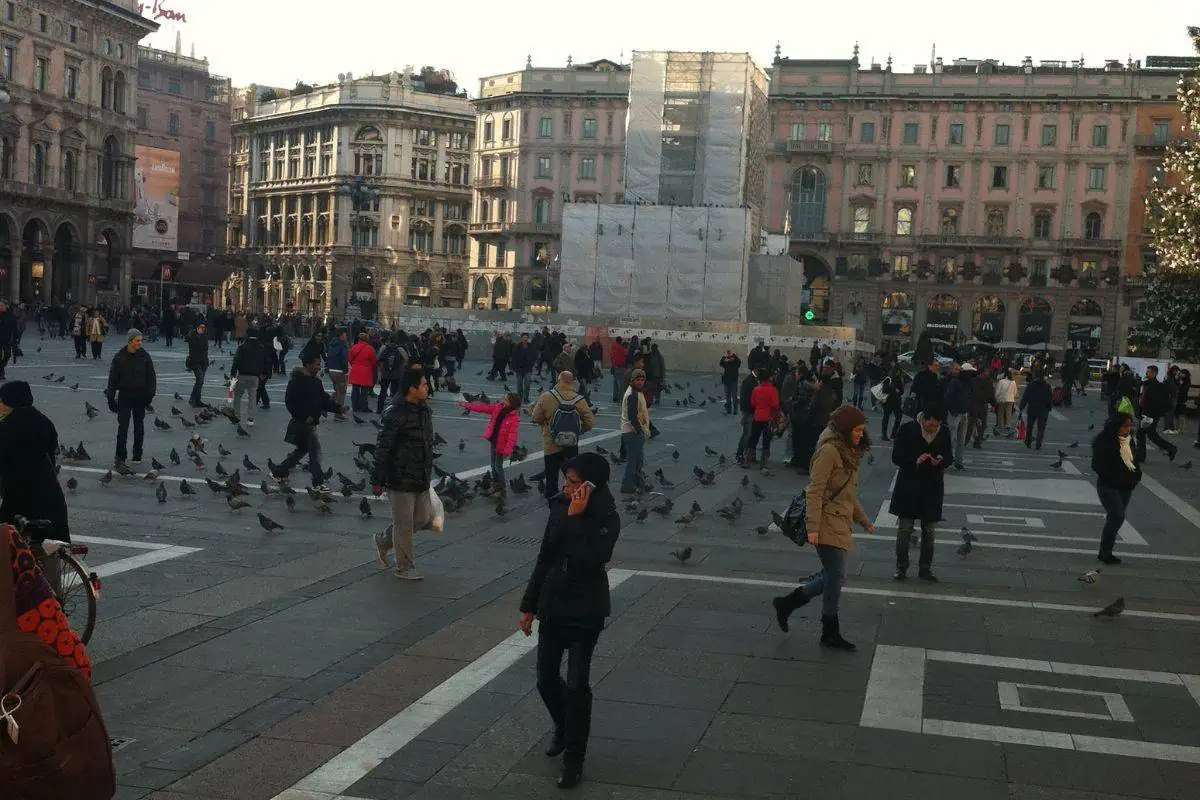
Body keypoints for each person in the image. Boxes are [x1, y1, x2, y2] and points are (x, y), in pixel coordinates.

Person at [519, 452, 621, 790]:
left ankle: (574, 757)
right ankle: (564, 725)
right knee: (545, 678)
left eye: (574, 482)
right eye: (567, 480)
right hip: (553, 603)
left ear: (591, 484)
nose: (567, 487)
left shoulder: (607, 514)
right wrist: (529, 604)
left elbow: (593, 561)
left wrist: (576, 520)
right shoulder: (559, 504)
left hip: (586, 608)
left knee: (577, 684)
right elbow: (545, 555)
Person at [771, 405, 874, 649]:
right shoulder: (829, 451)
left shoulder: (848, 451)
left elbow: (848, 493)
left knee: (832, 575)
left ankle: (788, 603)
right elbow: (815, 492)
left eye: (862, 430)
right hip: (826, 521)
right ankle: (829, 630)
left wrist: (864, 520)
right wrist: (813, 527)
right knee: (837, 576)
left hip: (839, 520)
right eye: (857, 430)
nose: (861, 434)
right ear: (846, 429)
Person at [372, 367, 435, 580]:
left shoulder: (424, 410)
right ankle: (404, 567)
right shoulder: (395, 412)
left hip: (421, 474)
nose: (428, 388)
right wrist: (378, 478)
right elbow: (383, 447)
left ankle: (384, 541)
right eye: (424, 384)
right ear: (412, 388)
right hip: (399, 476)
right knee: (404, 523)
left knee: (423, 518)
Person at [0, 381, 70, 548]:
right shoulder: (43, 422)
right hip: (51, 497)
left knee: (5, 536)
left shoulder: (9, 426)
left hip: (20, 497)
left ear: (11, 401)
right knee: (50, 549)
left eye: (2, 401)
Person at [889, 404, 953, 582]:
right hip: (909, 485)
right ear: (923, 419)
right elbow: (896, 456)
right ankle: (901, 567)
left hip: (932, 487)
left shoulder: (944, 432)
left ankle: (925, 568)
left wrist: (940, 461)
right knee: (905, 530)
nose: (935, 428)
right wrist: (915, 460)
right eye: (932, 425)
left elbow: (949, 456)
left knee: (929, 532)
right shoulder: (907, 429)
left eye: (938, 425)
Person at [272, 353, 342, 488]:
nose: (319, 367)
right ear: (308, 365)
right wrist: (304, 416)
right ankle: (318, 483)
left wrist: (338, 409)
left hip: (310, 423)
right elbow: (290, 402)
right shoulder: (297, 381)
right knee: (314, 453)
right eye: (316, 364)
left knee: (303, 449)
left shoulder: (316, 381)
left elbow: (323, 400)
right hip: (302, 423)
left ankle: (279, 471)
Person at [532, 372, 596, 501]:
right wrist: (578, 431)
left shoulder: (546, 397)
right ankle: (571, 495)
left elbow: (535, 418)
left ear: (558, 380)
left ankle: (551, 497)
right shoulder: (579, 399)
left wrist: (546, 425)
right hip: (571, 443)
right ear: (572, 382)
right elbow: (590, 423)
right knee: (571, 472)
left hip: (551, 443)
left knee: (551, 474)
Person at [1091, 412, 1141, 566]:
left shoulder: (1129, 440)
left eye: (1129, 425)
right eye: (1125, 426)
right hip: (1108, 486)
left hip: (1126, 486)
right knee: (1117, 516)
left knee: (1115, 519)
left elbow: (1134, 460)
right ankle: (1106, 551)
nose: (1128, 429)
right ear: (1116, 426)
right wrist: (1112, 477)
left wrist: (1136, 476)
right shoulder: (1104, 441)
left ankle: (1105, 551)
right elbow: (1096, 465)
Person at [106, 329, 156, 466]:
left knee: (139, 427)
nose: (140, 343)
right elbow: (112, 379)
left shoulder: (145, 356)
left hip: (140, 396)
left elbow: (151, 378)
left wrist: (149, 396)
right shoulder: (119, 357)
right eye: (137, 340)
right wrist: (111, 398)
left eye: (141, 340)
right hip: (125, 396)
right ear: (130, 341)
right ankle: (120, 455)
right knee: (123, 427)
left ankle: (137, 454)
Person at [461, 393, 522, 495]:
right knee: (493, 465)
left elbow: (512, 435)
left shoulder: (514, 417)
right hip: (494, 441)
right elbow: (483, 408)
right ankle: (496, 483)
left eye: (506, 400)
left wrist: (508, 449)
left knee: (498, 466)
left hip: (501, 445)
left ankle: (501, 485)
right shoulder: (498, 408)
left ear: (511, 403)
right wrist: (467, 405)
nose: (504, 400)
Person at [230, 326, 270, 427]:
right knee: (252, 397)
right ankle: (250, 418)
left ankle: (237, 416)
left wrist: (233, 373)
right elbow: (266, 362)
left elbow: (236, 361)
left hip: (243, 375)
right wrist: (264, 373)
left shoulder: (242, 347)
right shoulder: (261, 348)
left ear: (247, 335)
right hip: (255, 377)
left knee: (238, 395)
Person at [1137, 365, 1178, 462]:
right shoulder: (1147, 384)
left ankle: (1171, 448)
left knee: (1151, 435)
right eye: (1147, 372)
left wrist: (1151, 414)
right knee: (1141, 433)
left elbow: (1155, 401)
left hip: (1150, 415)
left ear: (1154, 373)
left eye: (1149, 372)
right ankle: (1140, 455)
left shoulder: (1157, 386)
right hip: (1146, 414)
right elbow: (1142, 398)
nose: (1147, 373)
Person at [619, 369, 650, 493]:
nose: (640, 382)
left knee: (638, 460)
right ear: (633, 380)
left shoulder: (636, 392)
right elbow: (632, 415)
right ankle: (627, 485)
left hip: (631, 431)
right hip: (632, 432)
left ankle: (639, 483)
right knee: (633, 461)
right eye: (638, 379)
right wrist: (639, 430)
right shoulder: (633, 394)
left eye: (642, 380)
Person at [744, 370, 780, 472]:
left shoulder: (756, 389)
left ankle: (747, 460)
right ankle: (763, 464)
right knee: (766, 441)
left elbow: (753, 403)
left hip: (758, 417)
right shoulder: (773, 390)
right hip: (769, 419)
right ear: (769, 378)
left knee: (753, 438)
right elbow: (776, 405)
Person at [1018, 368, 1054, 452]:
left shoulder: (1031, 385)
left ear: (1035, 375)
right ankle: (1038, 443)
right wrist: (1049, 407)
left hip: (1032, 408)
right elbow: (1050, 398)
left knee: (1030, 425)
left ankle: (1028, 441)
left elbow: (1025, 396)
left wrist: (1021, 406)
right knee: (1041, 427)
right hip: (1043, 409)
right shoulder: (1047, 385)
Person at [376, 332, 407, 414]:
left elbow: (378, 359)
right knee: (395, 392)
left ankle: (379, 409)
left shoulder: (383, 347)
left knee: (383, 392)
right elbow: (406, 360)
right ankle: (393, 410)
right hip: (396, 374)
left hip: (385, 373)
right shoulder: (400, 349)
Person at [348, 332, 378, 413]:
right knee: (364, 391)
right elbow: (374, 362)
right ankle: (363, 406)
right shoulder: (370, 349)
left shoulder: (354, 347)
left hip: (355, 370)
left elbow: (350, 359)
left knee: (355, 389)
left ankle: (355, 406)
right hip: (366, 372)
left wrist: (354, 365)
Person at [325, 329, 350, 420]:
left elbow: (328, 356)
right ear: (341, 335)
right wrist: (345, 369)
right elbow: (344, 358)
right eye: (345, 334)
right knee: (342, 392)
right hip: (339, 370)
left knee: (337, 390)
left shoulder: (332, 344)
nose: (346, 336)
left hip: (331, 370)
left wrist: (327, 367)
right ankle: (338, 413)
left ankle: (327, 406)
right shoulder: (343, 345)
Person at [186, 322, 210, 407]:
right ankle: (192, 398)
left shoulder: (204, 336)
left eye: (204, 327)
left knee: (200, 382)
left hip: (203, 361)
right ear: (197, 327)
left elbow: (205, 348)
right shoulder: (192, 335)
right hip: (195, 362)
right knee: (200, 380)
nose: (203, 329)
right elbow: (195, 346)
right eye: (201, 327)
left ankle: (197, 400)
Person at [879, 366, 905, 441]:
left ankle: (892, 434)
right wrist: (894, 389)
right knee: (887, 417)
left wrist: (898, 391)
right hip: (888, 401)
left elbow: (902, 391)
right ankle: (884, 434)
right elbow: (885, 390)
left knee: (898, 416)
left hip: (895, 401)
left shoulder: (898, 379)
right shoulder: (888, 379)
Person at [511, 333, 537, 403]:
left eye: (526, 337)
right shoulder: (518, 346)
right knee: (519, 384)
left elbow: (535, 355)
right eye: (524, 337)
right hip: (519, 369)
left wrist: (532, 363)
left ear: (528, 338)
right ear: (522, 338)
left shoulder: (531, 346)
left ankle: (526, 398)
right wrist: (513, 367)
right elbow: (513, 357)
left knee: (527, 384)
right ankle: (519, 398)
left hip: (528, 368)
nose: (525, 339)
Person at [993, 368, 1018, 437]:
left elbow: (997, 391)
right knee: (1008, 413)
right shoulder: (1013, 382)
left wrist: (996, 398)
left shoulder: (1001, 381)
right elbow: (1015, 392)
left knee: (1000, 412)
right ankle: (1008, 424)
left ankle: (1000, 425)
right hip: (1010, 400)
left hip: (1002, 400)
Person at [720, 349, 742, 414]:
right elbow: (720, 363)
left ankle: (735, 410)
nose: (730, 357)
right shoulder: (726, 362)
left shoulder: (736, 362)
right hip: (726, 381)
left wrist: (734, 355)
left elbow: (739, 362)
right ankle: (728, 409)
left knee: (734, 396)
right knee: (727, 396)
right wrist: (725, 356)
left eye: (731, 356)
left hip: (733, 381)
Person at [609, 336, 628, 403]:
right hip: (621, 367)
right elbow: (625, 357)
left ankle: (615, 397)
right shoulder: (621, 349)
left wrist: (613, 366)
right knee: (621, 384)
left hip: (614, 366)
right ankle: (621, 398)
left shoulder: (613, 347)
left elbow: (612, 357)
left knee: (615, 383)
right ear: (620, 341)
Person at [0, 300, 14, 379]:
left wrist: (16, 337)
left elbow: (13, 327)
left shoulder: (10, 315)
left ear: (6, 306)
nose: (0, 307)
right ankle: (1, 372)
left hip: (6, 339)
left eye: (2, 306)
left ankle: (1, 368)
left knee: (8, 354)